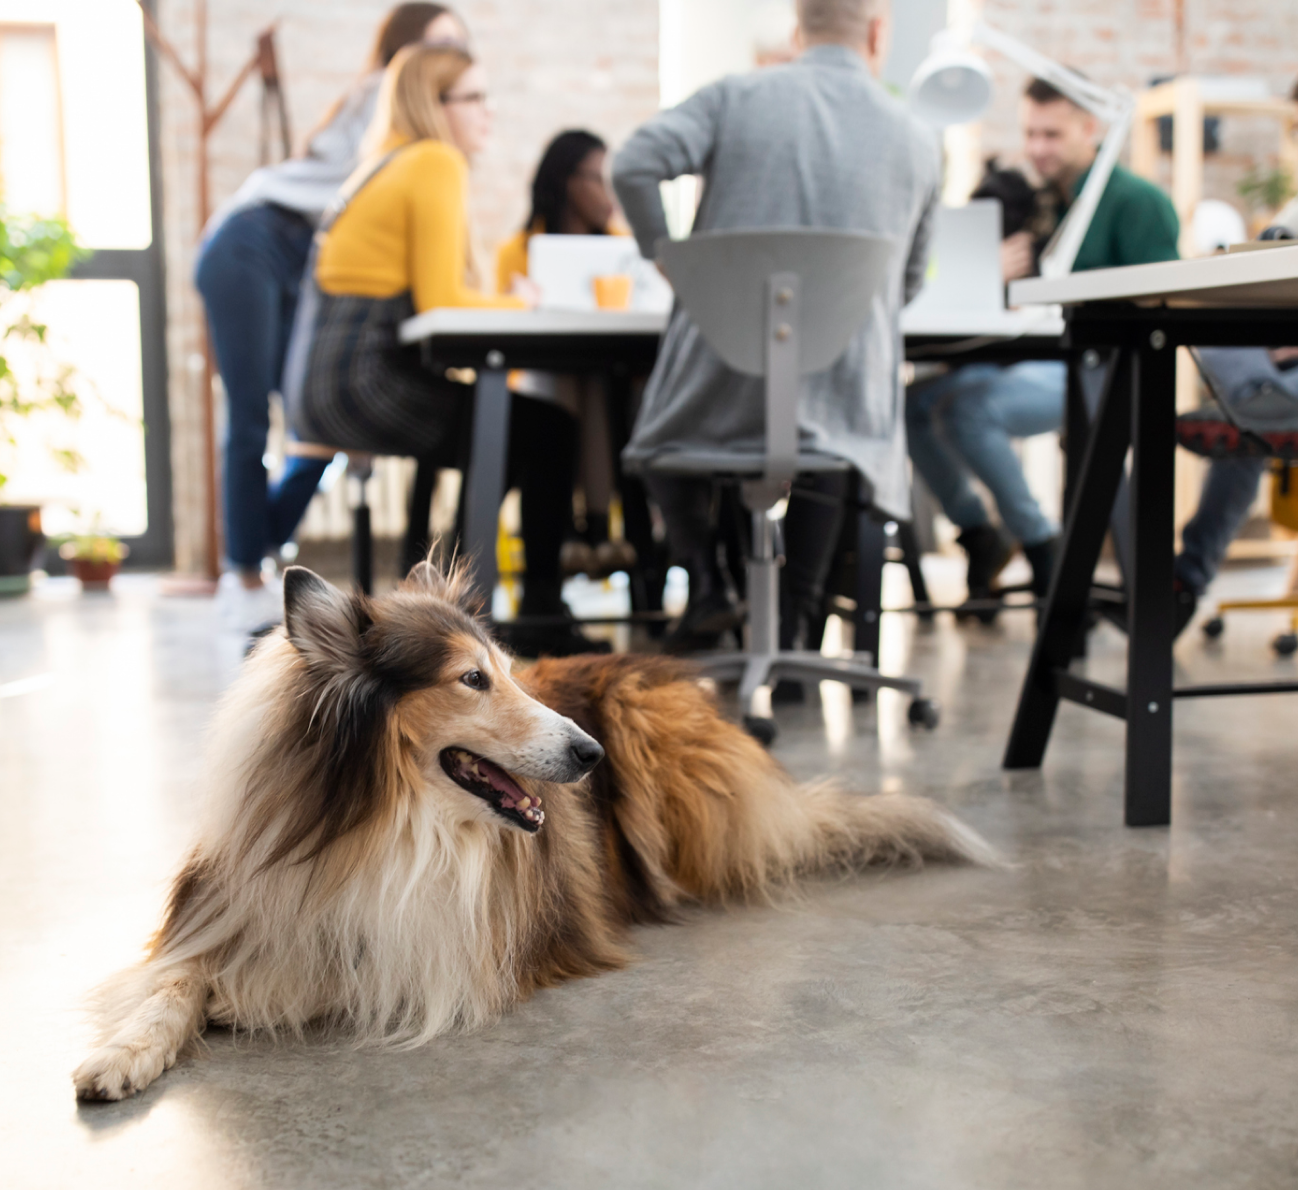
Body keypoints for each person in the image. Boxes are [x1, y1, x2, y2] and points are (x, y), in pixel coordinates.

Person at [613, 0, 941, 654]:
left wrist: (668, 256)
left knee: (655, 422)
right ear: (878, 34)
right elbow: (903, 284)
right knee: (831, 449)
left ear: (799, 31)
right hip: (847, 398)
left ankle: (707, 585)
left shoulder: (736, 96)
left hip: (720, 387)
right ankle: (794, 633)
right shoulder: (918, 137)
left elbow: (631, 164)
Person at [295, 44, 602, 657]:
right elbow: (444, 297)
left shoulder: (386, 163)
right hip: (365, 376)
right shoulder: (434, 160)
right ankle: (533, 610)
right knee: (544, 430)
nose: (489, 112)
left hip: (332, 375)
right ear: (435, 105)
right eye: (476, 97)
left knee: (509, 431)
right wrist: (527, 302)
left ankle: (452, 609)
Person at [196, 3, 466, 631]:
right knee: (250, 413)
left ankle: (257, 554)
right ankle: (241, 576)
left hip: (300, 262)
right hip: (250, 243)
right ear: (406, 50)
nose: (454, 58)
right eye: (440, 43)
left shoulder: (418, 134)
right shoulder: (383, 97)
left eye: (460, 44)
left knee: (318, 420)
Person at [906, 75, 1180, 603]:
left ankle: (1040, 543)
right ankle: (979, 533)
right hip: (1030, 356)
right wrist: (997, 277)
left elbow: (1159, 307)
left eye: (1051, 135)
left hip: (1102, 368)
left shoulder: (1135, 202)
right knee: (911, 408)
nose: (1037, 148)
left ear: (1090, 128)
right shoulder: (1035, 201)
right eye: (1030, 133)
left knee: (967, 410)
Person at [497, 130, 633, 577]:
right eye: (596, 178)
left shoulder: (622, 252)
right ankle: (594, 529)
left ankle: (587, 531)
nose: (607, 192)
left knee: (594, 380)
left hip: (610, 385)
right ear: (565, 181)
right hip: (541, 381)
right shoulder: (517, 253)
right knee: (565, 378)